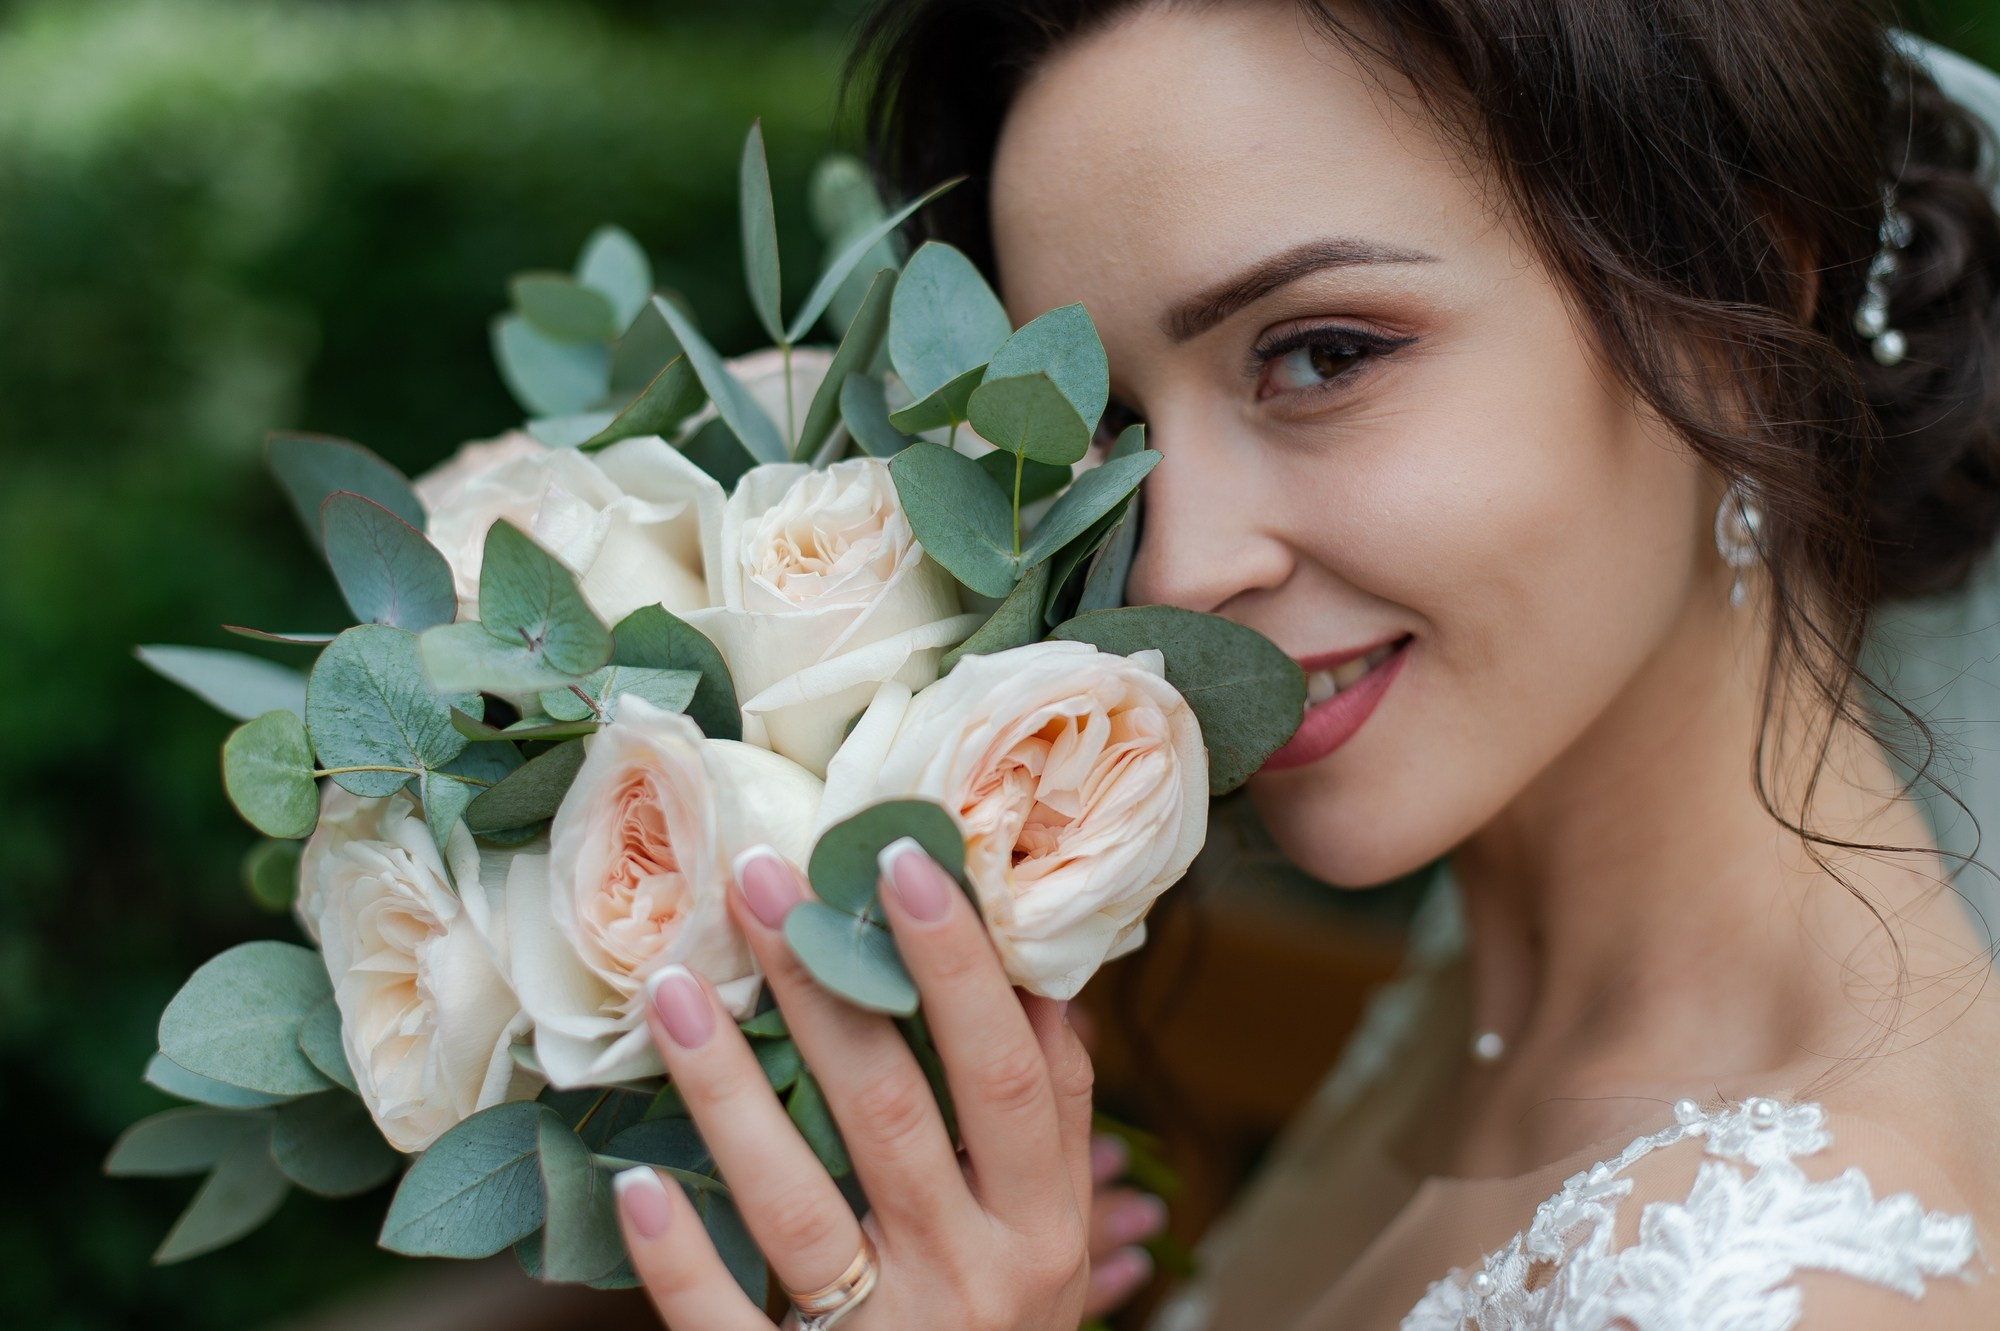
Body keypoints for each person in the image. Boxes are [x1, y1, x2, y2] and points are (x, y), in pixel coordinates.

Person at [605, 1, 2000, 1326]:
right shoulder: (1482, 1022)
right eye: (1107, 437)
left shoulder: (1784, 1284)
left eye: (1323, 356)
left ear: (1743, 297)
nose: (1171, 572)